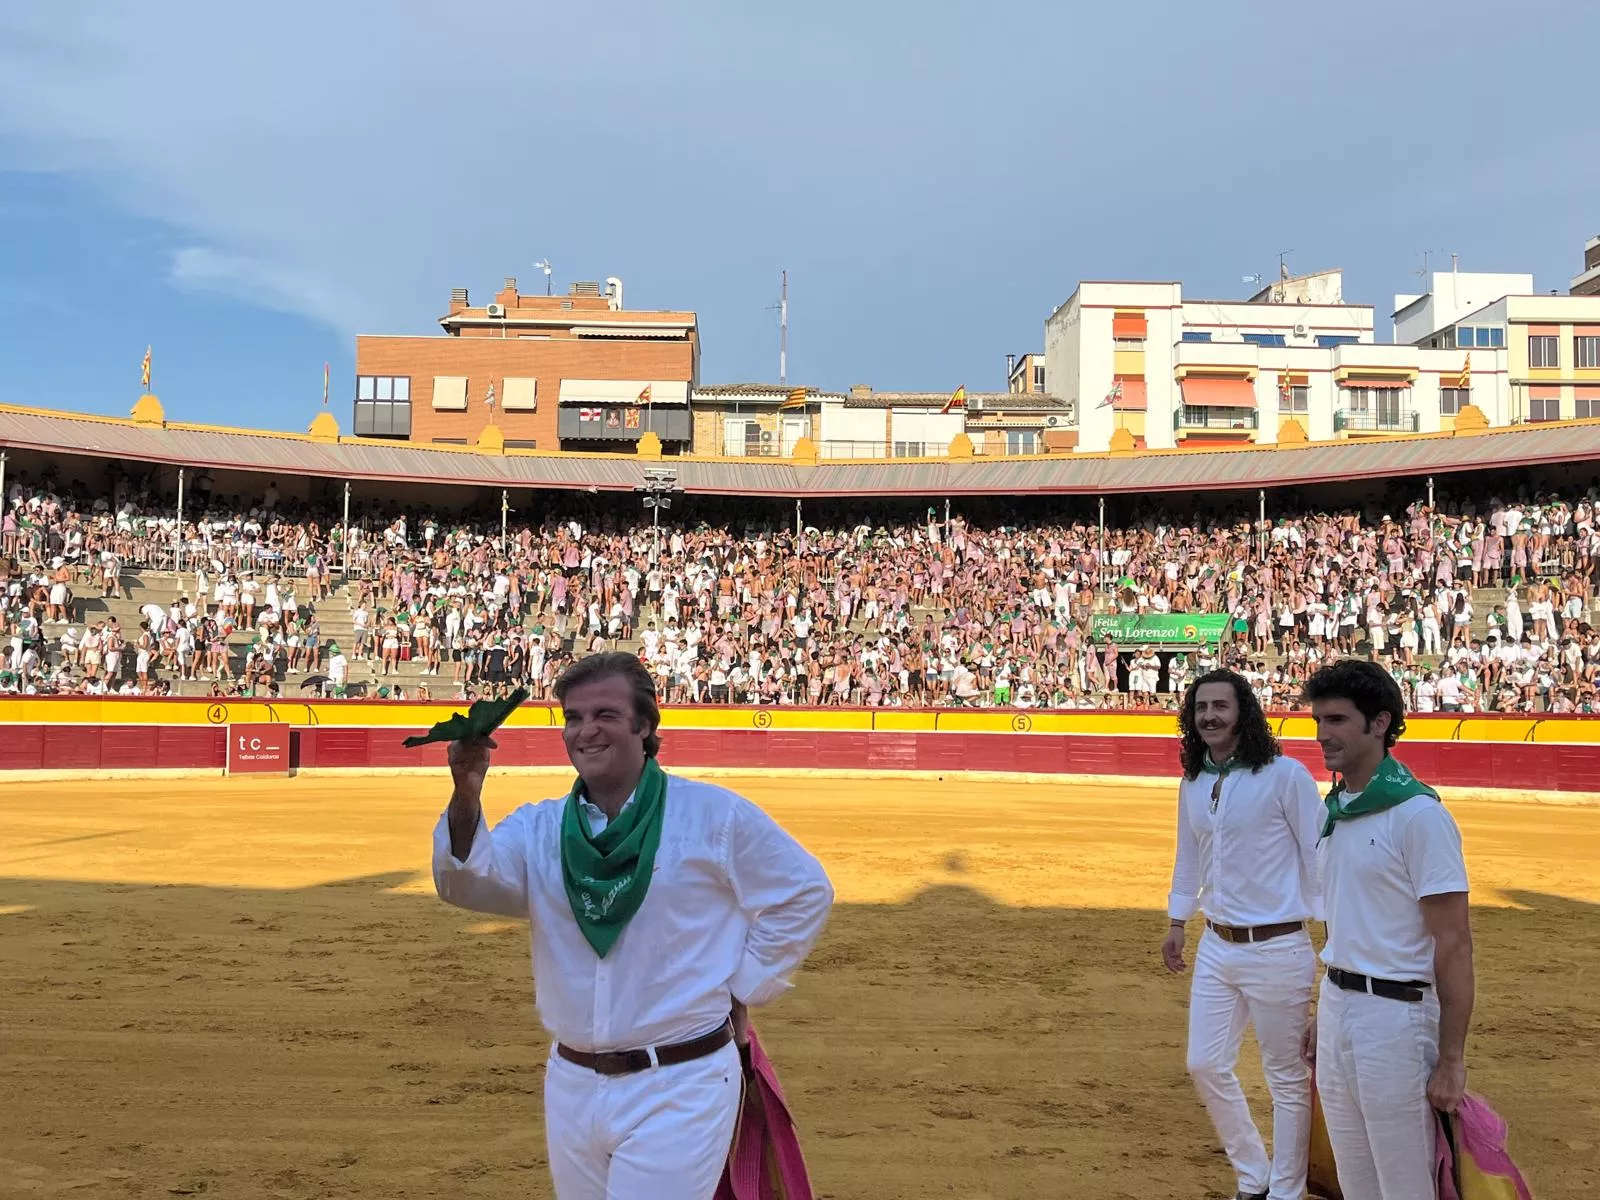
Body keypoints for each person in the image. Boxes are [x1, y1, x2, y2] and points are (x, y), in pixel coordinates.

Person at [432, 651, 834, 1199]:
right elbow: (467, 882)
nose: (586, 731)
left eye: (606, 714)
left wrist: (744, 983)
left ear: (644, 726)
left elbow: (804, 889)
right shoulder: (540, 826)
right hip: (572, 1081)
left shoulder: (711, 815)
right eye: (574, 717)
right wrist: (467, 792)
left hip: (682, 1081)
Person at [1300, 658, 1473, 1199]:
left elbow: (1454, 943)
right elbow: (1344, 921)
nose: (1323, 734)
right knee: (1355, 1181)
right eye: (1318, 721)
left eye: (1337, 720)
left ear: (1379, 724)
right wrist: (1326, 1008)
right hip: (1340, 1009)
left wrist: (1450, 1060)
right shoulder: (1336, 811)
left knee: (1404, 1184)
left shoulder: (1419, 816)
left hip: (1397, 1020)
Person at [1163, 668, 1324, 1200]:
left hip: (1279, 946)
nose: (1209, 716)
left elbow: (1318, 857)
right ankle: (1254, 1177)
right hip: (1216, 944)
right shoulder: (1194, 781)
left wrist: (1337, 937)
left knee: (1285, 1078)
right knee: (1204, 1063)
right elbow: (1189, 856)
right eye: (1201, 707)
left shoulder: (1286, 776)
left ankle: (1285, 1192)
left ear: (1243, 713)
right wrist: (1178, 921)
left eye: (1220, 706)